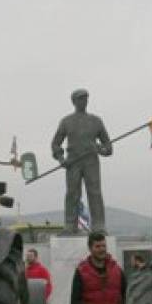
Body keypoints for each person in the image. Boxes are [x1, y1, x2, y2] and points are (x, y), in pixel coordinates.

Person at [51, 88, 113, 233]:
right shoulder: (66, 121)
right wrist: (61, 159)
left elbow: (109, 147)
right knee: (72, 193)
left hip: (91, 161)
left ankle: (98, 225)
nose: (83, 101)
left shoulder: (96, 121)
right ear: (74, 102)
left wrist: (99, 149)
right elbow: (55, 144)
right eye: (80, 99)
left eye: (85, 98)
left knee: (95, 192)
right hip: (73, 162)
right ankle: (70, 225)